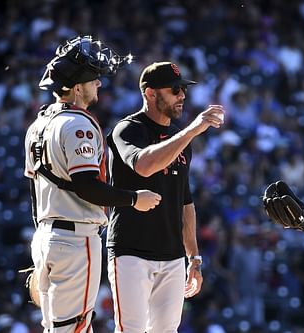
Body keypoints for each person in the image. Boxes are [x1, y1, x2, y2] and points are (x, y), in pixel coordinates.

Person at [24, 35, 161, 332]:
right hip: (75, 239)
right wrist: (134, 199)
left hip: (46, 235)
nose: (98, 83)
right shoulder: (77, 124)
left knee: (55, 327)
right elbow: (87, 186)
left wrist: (44, 243)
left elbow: (34, 191)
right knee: (75, 327)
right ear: (76, 88)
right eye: (92, 79)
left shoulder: (38, 124)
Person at [106, 61, 225, 333]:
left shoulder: (179, 137)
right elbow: (144, 166)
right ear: (150, 93)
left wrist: (194, 258)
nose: (182, 95)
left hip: (172, 255)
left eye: (183, 89)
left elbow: (186, 202)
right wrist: (192, 130)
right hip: (130, 250)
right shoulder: (128, 129)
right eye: (174, 90)